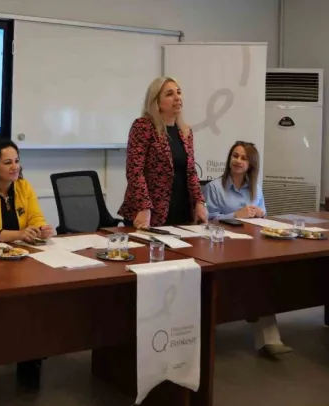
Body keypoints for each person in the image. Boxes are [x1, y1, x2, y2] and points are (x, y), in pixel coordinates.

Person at [0, 139, 54, 389]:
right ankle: (5, 348)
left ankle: (30, 357)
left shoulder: (23, 186)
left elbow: (35, 216)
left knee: (36, 297)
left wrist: (41, 228)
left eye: (17, 161)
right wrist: (18, 234)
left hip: (22, 258)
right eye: (7, 162)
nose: (15, 167)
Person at [203, 141, 291, 358]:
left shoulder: (256, 189)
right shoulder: (214, 187)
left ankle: (269, 340)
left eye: (244, 158)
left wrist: (260, 214)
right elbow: (206, 221)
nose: (238, 161)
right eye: (235, 156)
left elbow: (264, 217)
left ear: (251, 165)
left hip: (250, 247)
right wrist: (236, 215)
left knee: (262, 279)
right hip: (221, 249)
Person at [118, 76, 207, 228]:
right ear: (157, 102)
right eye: (169, 94)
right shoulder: (143, 127)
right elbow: (135, 171)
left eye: (179, 92)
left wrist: (200, 202)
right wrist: (144, 207)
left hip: (182, 211)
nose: (177, 97)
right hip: (149, 214)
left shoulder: (185, 132)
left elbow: (191, 172)